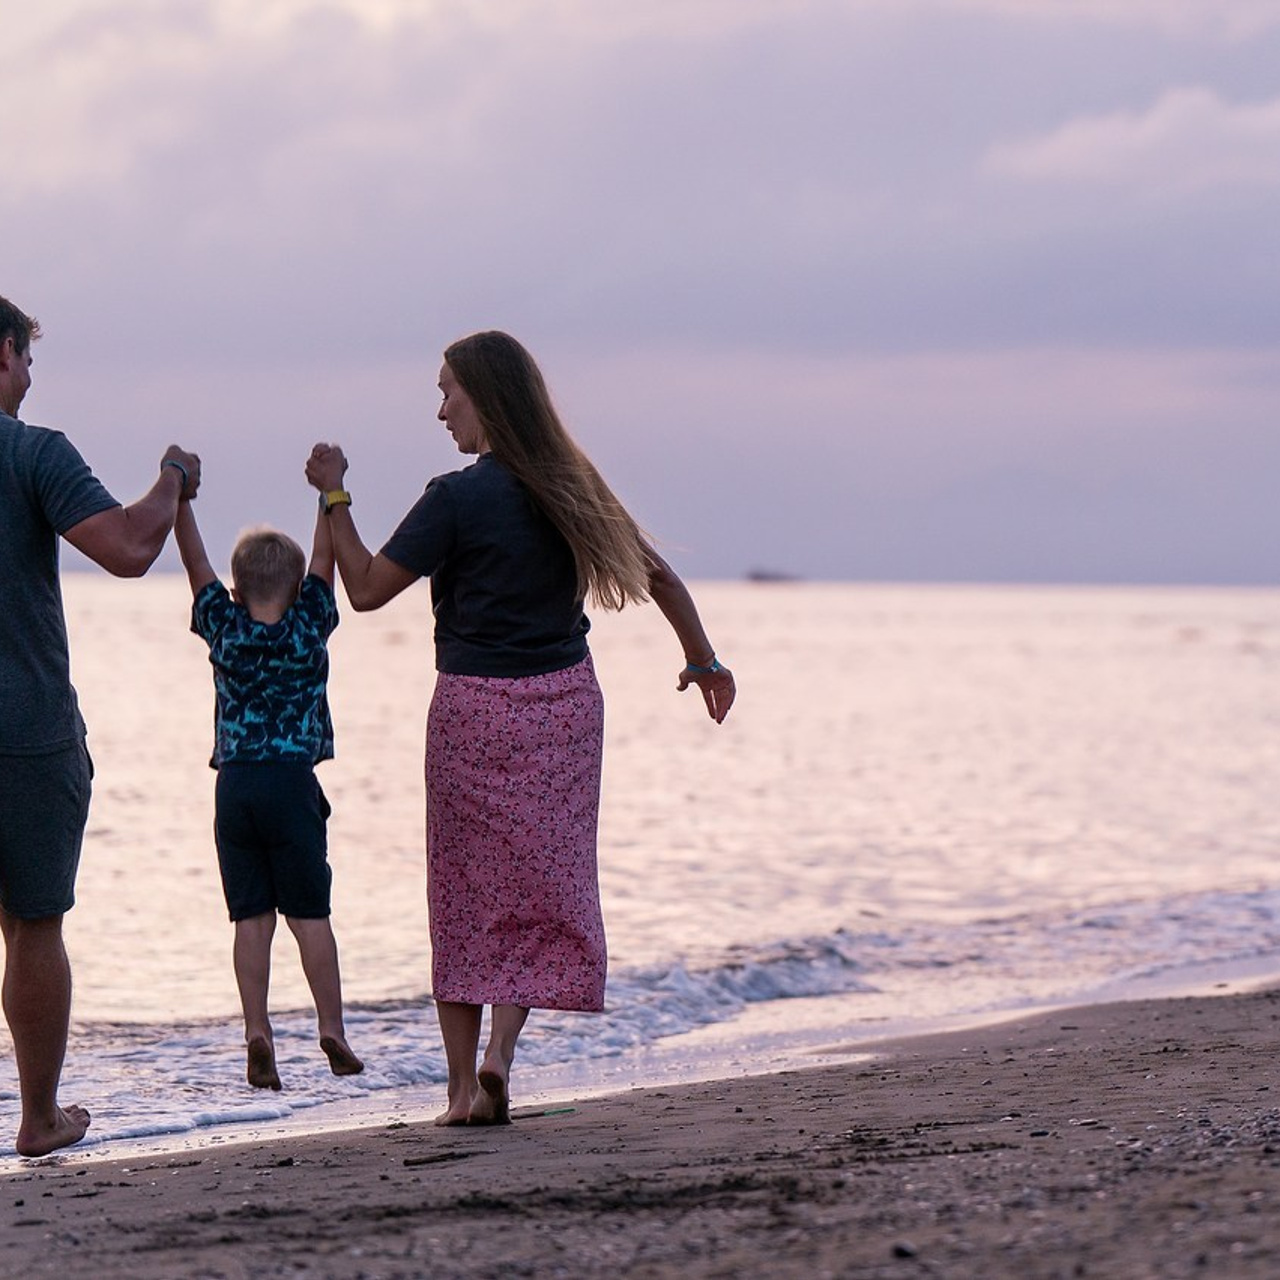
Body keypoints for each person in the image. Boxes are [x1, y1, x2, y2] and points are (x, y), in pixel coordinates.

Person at [305, 329, 736, 1125]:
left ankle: (463, 1088)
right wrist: (705, 662)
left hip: (473, 709)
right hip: (565, 707)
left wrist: (333, 497)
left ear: (486, 396)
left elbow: (364, 590)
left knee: (465, 893)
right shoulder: (570, 486)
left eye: (448, 393)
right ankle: (503, 1054)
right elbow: (660, 576)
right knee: (543, 886)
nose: (440, 412)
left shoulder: (455, 498)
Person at [0, 294, 201, 1156]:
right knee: (35, 924)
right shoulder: (32, 452)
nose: (32, 379)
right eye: (29, 361)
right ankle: (39, 1119)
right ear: (4, 355)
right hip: (25, 727)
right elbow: (127, 549)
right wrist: (172, 479)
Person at [174, 498, 365, 1090]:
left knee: (250, 920)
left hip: (235, 788)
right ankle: (330, 1026)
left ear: (234, 590)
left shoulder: (224, 627)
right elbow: (327, 563)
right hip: (291, 784)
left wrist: (180, 501)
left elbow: (195, 560)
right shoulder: (310, 625)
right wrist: (328, 496)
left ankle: (257, 1029)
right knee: (310, 916)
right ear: (297, 585)